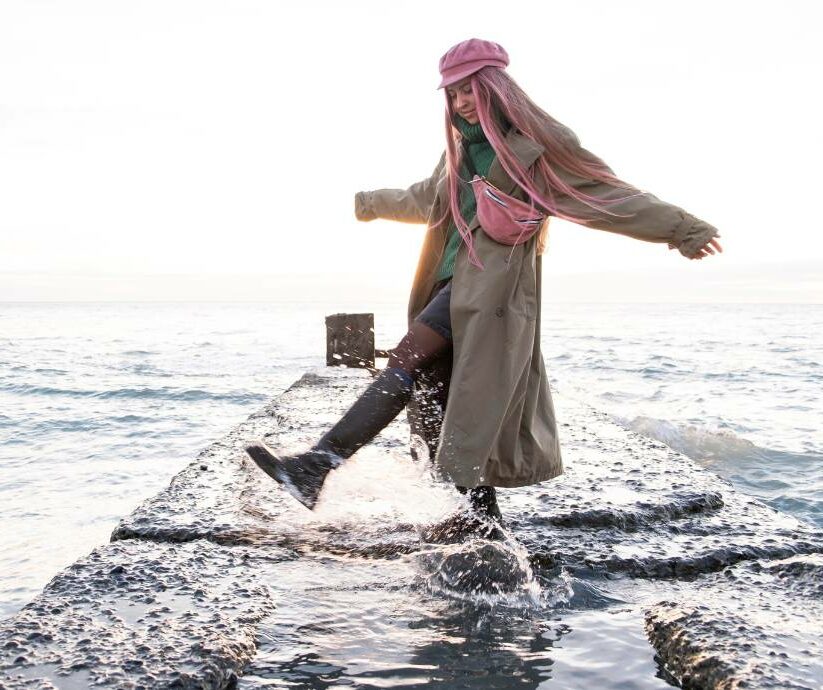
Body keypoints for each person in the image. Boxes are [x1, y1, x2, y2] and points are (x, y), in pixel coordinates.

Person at [246, 38, 723, 539]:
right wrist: (366, 202)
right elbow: (425, 200)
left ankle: (318, 463)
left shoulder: (535, 147)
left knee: (407, 358)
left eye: (469, 90)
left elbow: (601, 194)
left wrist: (681, 230)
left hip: (490, 292)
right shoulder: (458, 152)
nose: (461, 102)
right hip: (449, 284)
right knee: (448, 398)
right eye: (452, 94)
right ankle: (483, 522)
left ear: (496, 86)